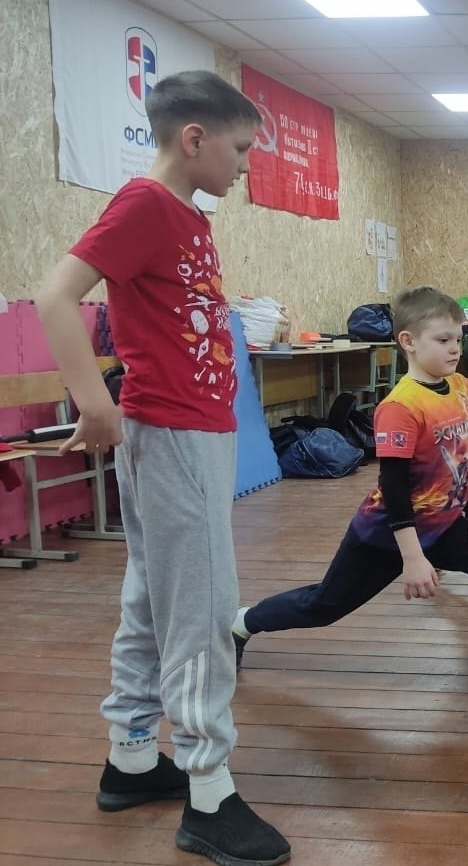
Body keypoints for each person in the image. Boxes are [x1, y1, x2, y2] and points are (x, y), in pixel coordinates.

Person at [34, 70, 292, 865]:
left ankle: (133, 756)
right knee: (204, 607)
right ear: (194, 138)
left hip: (196, 432)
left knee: (154, 597)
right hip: (173, 434)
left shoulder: (186, 214)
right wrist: (93, 401)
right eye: (240, 149)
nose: (244, 166)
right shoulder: (144, 204)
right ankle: (209, 791)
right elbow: (55, 296)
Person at [232, 286, 468, 709]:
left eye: (458, 338)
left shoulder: (460, 386)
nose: (455, 348)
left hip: (444, 525)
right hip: (387, 535)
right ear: (408, 341)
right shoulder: (400, 407)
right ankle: (242, 623)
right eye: (443, 340)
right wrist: (412, 558)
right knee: (324, 606)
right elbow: (393, 491)